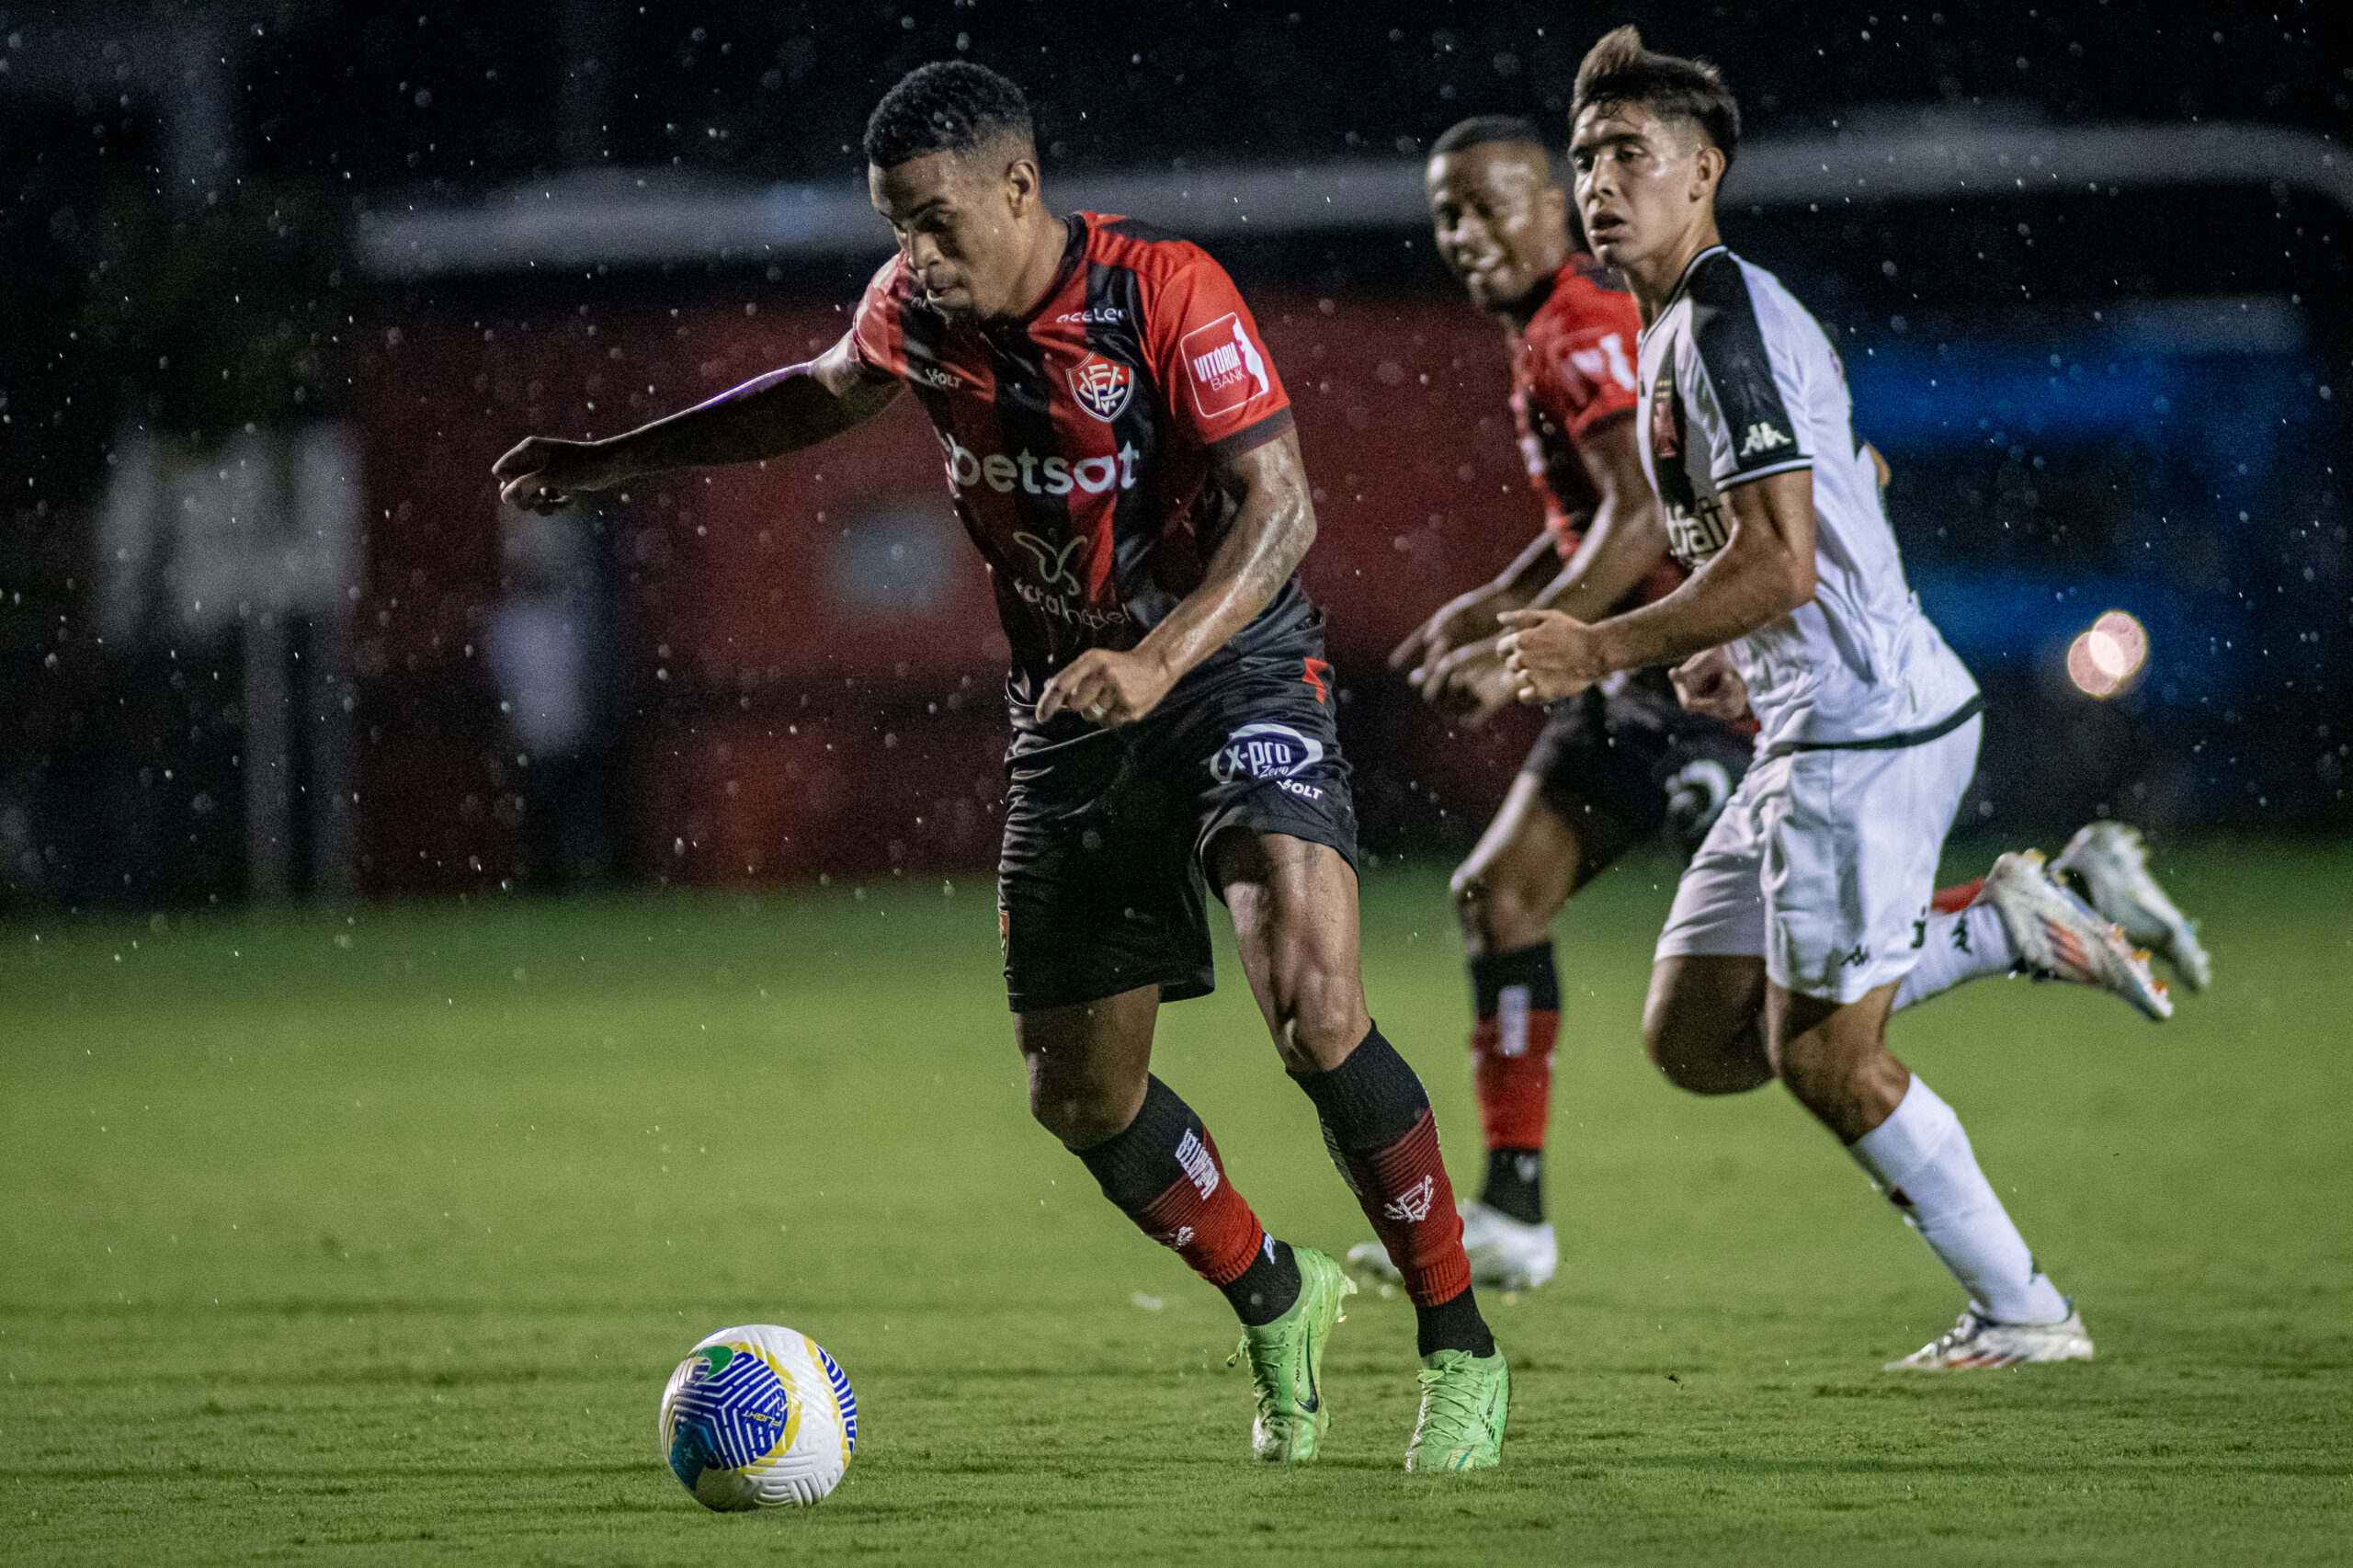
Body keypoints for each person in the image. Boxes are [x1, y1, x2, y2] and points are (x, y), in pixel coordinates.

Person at [492, 62, 1506, 1467]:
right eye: (895, 224)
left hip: (1236, 669)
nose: (915, 252)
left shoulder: (1164, 294)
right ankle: (1276, 1289)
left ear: (1020, 189)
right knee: (1081, 1095)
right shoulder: (912, 311)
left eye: (937, 219)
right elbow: (815, 395)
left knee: (1315, 1003)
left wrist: (1162, 659)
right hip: (1074, 709)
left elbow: (1285, 510)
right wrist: (615, 462)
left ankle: (1461, 1347)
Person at [1350, 113, 2207, 1300]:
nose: (1470, 232)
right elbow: (1621, 511)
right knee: (1536, 920)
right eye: (1448, 211)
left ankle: (2020, 1265)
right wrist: (1497, 607)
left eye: (1496, 202)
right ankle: (1516, 1211)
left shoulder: (1604, 325)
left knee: (1796, 1026)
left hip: (1690, 677)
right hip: (1650, 676)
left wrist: (1532, 647)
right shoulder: (1590, 325)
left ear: (1558, 205)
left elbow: (1645, 522)